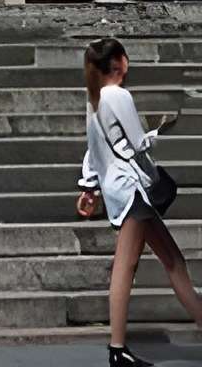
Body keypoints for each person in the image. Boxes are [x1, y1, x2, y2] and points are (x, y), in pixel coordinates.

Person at [77, 35, 202, 365]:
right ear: (120, 62)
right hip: (132, 189)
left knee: (173, 260)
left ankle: (118, 349)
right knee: (127, 265)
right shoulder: (118, 96)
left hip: (119, 189)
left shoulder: (95, 98)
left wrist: (89, 187)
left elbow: (93, 150)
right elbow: (136, 143)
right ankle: (117, 350)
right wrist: (164, 132)